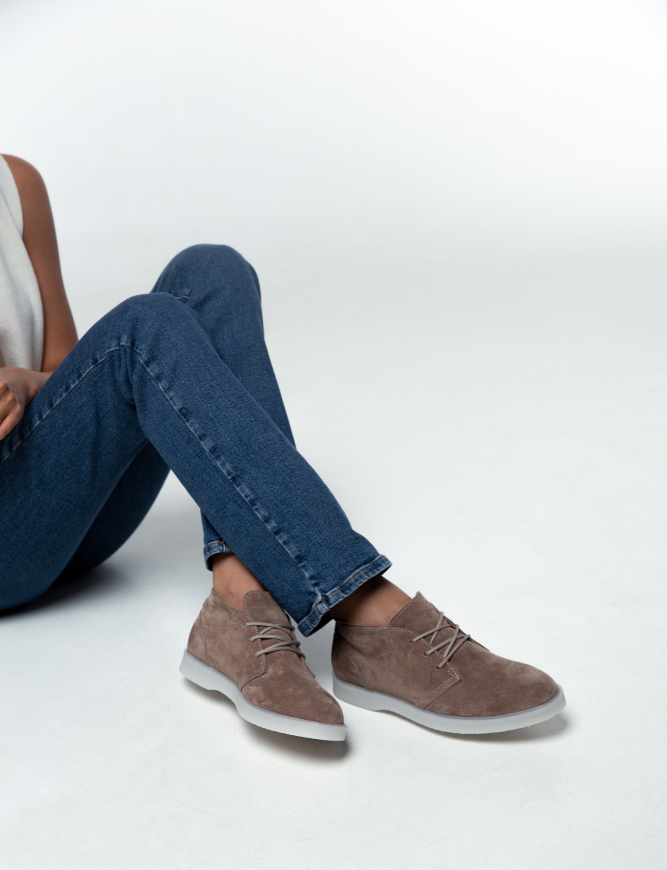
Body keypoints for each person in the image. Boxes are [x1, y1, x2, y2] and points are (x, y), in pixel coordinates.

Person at [0, 154, 565, 742]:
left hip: (70, 514)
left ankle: (239, 596)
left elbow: (62, 369)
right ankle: (368, 611)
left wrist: (23, 383)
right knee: (143, 327)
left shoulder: (16, 183)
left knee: (211, 270)